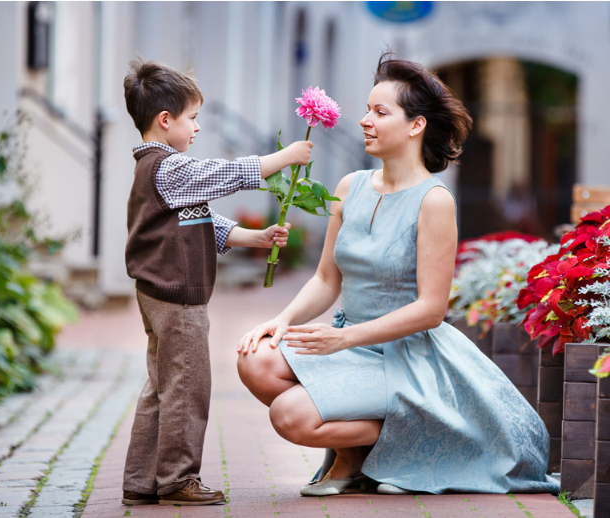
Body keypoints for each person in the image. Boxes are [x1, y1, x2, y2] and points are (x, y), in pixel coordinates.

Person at [236, 53, 559, 497]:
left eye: (380, 112)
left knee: (289, 416)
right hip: (350, 343)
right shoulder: (349, 186)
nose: (365, 121)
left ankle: (409, 438)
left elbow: (431, 310)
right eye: (368, 109)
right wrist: (284, 320)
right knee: (254, 361)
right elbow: (327, 280)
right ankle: (356, 460)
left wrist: (344, 339)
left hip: (408, 357)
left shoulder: (434, 201)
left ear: (415, 125)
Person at [121, 58, 312, 506]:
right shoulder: (167, 168)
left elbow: (203, 219)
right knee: (188, 386)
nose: (198, 128)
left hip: (158, 293)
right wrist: (283, 158)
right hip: (178, 298)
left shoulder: (160, 172)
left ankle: (142, 477)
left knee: (162, 384)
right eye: (192, 118)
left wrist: (256, 238)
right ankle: (177, 479)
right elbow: (223, 176)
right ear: (165, 121)